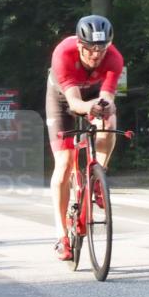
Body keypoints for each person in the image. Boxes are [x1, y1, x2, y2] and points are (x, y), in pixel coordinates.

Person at [45, 15, 125, 260]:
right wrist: (88, 107)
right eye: (90, 50)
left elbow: (109, 96)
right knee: (64, 164)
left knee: (110, 120)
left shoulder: (115, 58)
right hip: (63, 97)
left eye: (101, 50)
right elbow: (75, 103)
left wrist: (106, 107)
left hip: (93, 93)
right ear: (79, 45)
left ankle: (98, 176)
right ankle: (62, 237)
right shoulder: (63, 54)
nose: (96, 55)